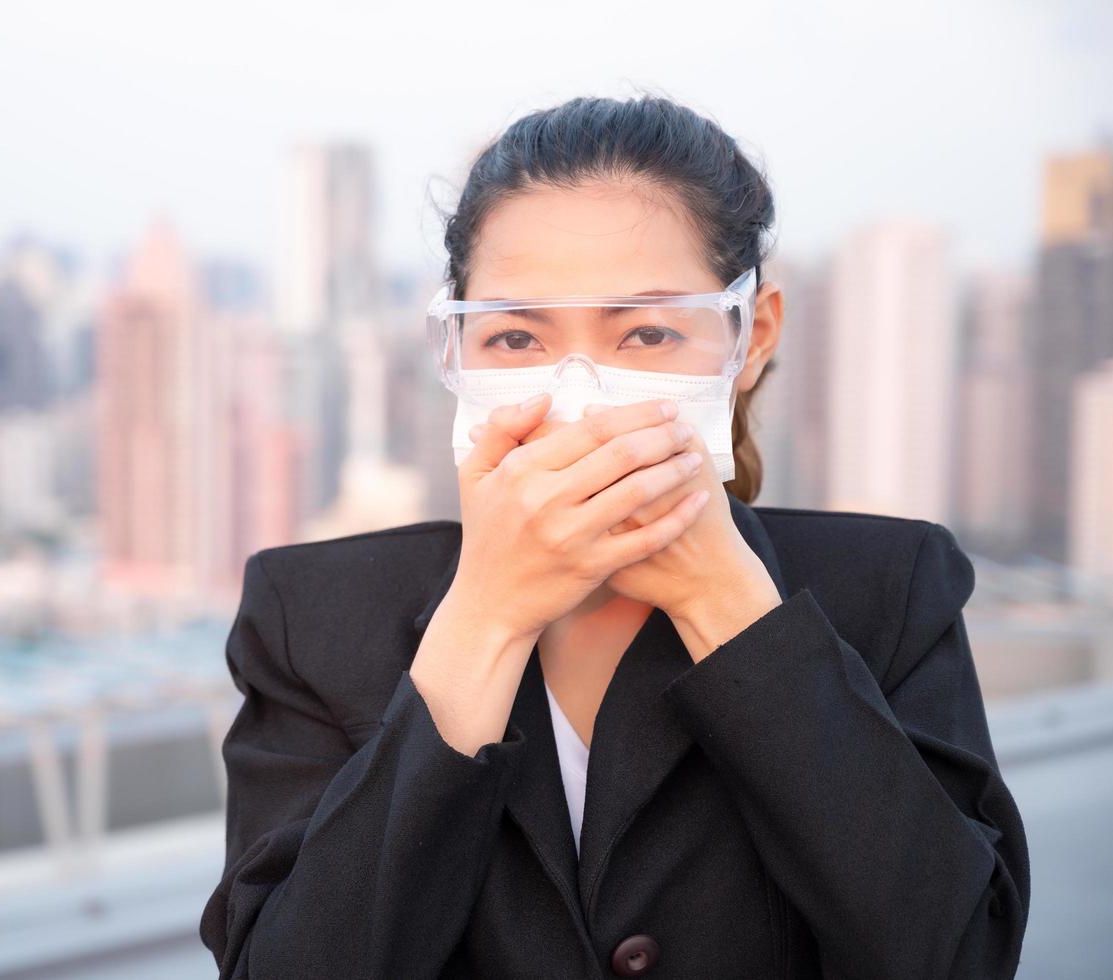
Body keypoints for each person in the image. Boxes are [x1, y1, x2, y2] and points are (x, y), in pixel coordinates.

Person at [199, 94, 1031, 979]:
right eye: (516, 335)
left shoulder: (890, 590)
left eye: (646, 331)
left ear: (750, 339)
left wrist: (727, 603)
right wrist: (484, 618)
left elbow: (960, 956)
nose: (581, 391)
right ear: (456, 347)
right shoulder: (311, 618)